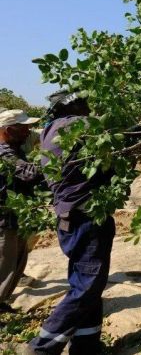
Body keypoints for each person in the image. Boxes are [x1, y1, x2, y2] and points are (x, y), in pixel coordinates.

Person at [26, 91, 116, 355]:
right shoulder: (75, 126)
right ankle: (41, 348)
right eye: (83, 103)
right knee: (87, 286)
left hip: (72, 219)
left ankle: (86, 345)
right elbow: (113, 128)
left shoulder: (50, 130)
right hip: (85, 218)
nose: (88, 107)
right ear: (71, 106)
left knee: (87, 283)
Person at [0, 109, 42, 312]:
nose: (28, 131)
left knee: (17, 263)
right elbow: (29, 174)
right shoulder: (4, 153)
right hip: (5, 220)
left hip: (18, 218)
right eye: (24, 127)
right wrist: (55, 160)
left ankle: (3, 302)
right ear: (8, 130)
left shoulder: (16, 150)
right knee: (4, 266)